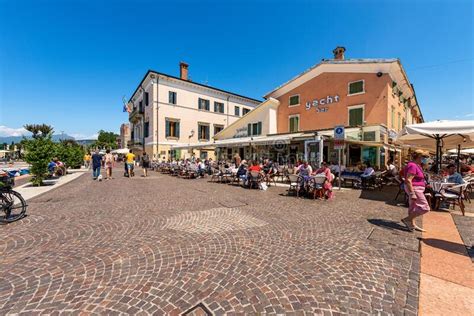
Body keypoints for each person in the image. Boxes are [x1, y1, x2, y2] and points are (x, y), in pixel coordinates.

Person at [401, 149, 430, 232]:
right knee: (425, 208)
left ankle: (412, 224)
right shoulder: (413, 165)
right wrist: (412, 193)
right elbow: (408, 180)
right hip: (415, 189)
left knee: (413, 207)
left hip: (416, 189)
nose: (426, 159)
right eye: (425, 157)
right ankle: (407, 219)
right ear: (419, 157)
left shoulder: (416, 165)